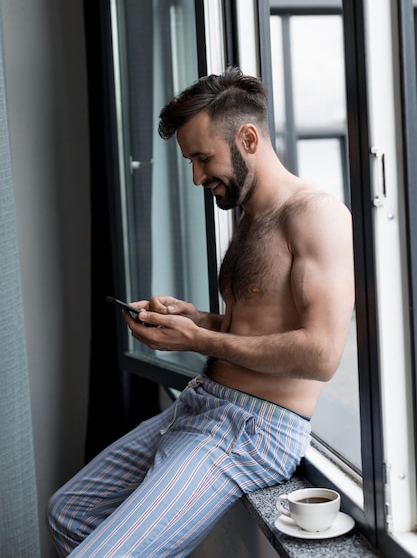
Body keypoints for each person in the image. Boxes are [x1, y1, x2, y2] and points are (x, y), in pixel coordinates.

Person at [47, 67, 355, 557]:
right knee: (70, 511)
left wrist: (197, 341)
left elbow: (320, 354)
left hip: (253, 430)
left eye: (202, 158)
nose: (196, 176)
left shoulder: (316, 215)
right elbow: (253, 325)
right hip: (203, 404)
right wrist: (197, 320)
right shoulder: (250, 218)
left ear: (248, 138)